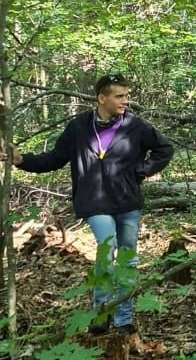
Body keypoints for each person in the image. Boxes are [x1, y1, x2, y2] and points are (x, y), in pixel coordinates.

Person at [3, 72, 174, 333]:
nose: (124, 101)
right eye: (118, 96)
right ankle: (101, 313)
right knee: (107, 250)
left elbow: (165, 149)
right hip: (94, 202)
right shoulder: (79, 127)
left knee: (127, 260)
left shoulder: (136, 126)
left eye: (126, 96)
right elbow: (55, 158)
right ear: (101, 98)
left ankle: (124, 319)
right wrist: (22, 160)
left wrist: (142, 170)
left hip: (127, 202)